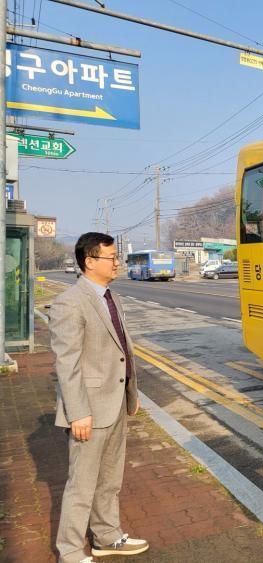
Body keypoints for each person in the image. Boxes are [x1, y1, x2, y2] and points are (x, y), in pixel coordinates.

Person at [49, 233, 148, 563]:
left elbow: (121, 351)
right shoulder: (70, 302)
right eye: (111, 257)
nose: (117, 263)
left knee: (109, 480)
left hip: (115, 401)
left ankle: (107, 537)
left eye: (117, 257)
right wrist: (78, 412)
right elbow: (68, 363)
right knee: (82, 485)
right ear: (90, 262)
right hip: (89, 409)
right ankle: (69, 552)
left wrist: (130, 391)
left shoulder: (111, 297)